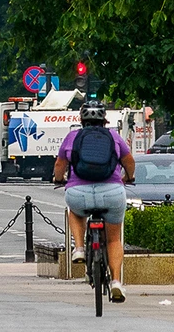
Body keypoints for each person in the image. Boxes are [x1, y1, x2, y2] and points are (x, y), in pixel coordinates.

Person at [53, 102, 135, 302]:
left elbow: (59, 164)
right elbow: (129, 161)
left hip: (78, 192)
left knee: (75, 211)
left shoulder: (73, 137)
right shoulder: (114, 137)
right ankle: (116, 282)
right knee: (114, 239)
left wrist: (58, 179)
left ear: (81, 120)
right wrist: (127, 178)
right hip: (112, 192)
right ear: (104, 120)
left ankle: (79, 248)